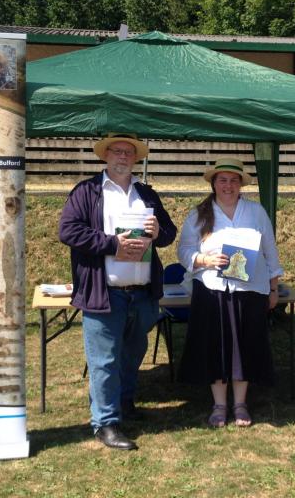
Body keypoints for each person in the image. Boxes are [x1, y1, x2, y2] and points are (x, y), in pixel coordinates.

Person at [59, 133, 177, 450]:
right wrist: (112, 244)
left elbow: (168, 234)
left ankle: (125, 405)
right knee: (104, 361)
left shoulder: (147, 194)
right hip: (105, 291)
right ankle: (105, 424)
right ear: (106, 156)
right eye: (117, 151)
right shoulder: (87, 191)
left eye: (129, 152)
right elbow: (68, 231)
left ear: (136, 158)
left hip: (141, 292)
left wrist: (158, 231)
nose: (123, 156)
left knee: (132, 354)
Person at [177, 158, 283, 427]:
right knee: (216, 348)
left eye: (234, 180)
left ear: (241, 184)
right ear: (214, 183)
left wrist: (273, 288)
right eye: (222, 180)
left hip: (249, 292)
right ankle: (219, 405)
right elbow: (184, 250)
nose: (228, 185)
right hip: (212, 291)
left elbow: (270, 251)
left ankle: (240, 404)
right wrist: (204, 260)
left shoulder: (256, 212)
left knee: (244, 348)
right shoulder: (200, 214)